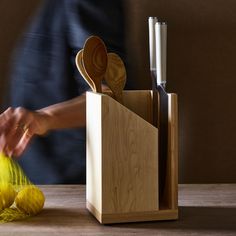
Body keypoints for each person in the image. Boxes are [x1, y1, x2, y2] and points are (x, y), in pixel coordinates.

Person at [0, 0, 126, 184]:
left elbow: (108, 97)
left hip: (72, 182)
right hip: (38, 180)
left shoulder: (90, 4)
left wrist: (44, 118)